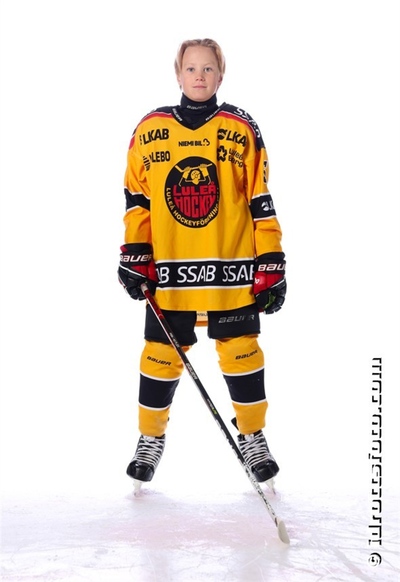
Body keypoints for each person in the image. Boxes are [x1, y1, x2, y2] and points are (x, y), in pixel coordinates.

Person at [118, 38, 286, 487]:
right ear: (178, 74)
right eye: (191, 68)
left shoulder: (240, 127)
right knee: (160, 355)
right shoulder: (150, 129)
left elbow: (259, 199)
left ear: (221, 74)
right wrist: (134, 253)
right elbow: (137, 200)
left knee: (242, 351)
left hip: (230, 267)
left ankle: (253, 437)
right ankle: (149, 439)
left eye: (208, 68)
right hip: (171, 270)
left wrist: (271, 258)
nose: (199, 76)